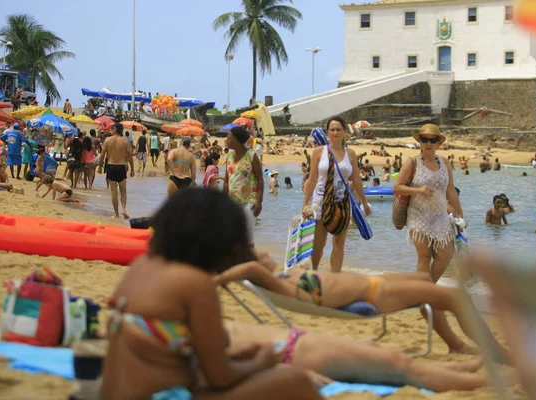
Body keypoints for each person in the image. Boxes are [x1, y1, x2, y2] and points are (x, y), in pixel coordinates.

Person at [101, 188, 322, 400]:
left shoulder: (142, 266)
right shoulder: (194, 283)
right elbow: (220, 377)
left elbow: (162, 355)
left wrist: (235, 359)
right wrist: (261, 362)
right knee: (295, 381)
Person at [215, 253, 509, 359]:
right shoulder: (279, 283)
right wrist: (216, 278)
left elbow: (251, 264)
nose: (264, 251)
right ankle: (496, 352)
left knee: (423, 278)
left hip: (376, 283)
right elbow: (248, 268)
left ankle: (455, 344)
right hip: (376, 294)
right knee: (457, 297)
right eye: (257, 253)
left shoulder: (283, 276)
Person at [226, 320, 497, 392]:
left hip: (290, 348)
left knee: (378, 350)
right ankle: (488, 382)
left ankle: (458, 371)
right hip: (289, 352)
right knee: (399, 364)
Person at [393, 124, 462, 282]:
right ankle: (424, 294)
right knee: (424, 256)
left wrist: (459, 213)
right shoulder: (413, 162)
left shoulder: (445, 163)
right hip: (418, 214)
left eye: (433, 140)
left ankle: (425, 288)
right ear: (420, 142)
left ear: (439, 143)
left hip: (440, 215)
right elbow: (397, 187)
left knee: (446, 254)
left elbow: (450, 190)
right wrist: (418, 190)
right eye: (425, 139)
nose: (429, 143)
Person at [302, 116, 371, 273]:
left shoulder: (351, 154)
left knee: (339, 243)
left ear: (345, 132)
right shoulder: (319, 152)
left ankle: (335, 278)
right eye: (332, 130)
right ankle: (314, 273)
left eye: (338, 129)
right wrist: (305, 203)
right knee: (319, 244)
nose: (335, 132)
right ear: (327, 133)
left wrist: (364, 202)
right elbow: (311, 180)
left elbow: (356, 180)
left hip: (342, 203)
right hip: (320, 203)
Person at [224, 126, 265, 245]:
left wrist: (259, 202)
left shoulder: (251, 155)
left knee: (248, 237)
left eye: (229, 138)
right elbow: (226, 181)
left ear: (237, 140)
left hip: (249, 202)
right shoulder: (229, 157)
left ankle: (250, 260)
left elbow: (260, 180)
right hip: (232, 203)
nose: (226, 140)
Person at [98, 123, 135, 219]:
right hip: (121, 167)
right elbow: (130, 156)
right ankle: (124, 209)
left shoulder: (107, 140)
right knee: (123, 191)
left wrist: (100, 166)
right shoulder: (125, 141)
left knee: (114, 191)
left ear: (115, 129)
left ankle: (116, 214)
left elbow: (102, 154)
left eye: (111, 128)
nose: (110, 129)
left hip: (111, 166)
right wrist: (132, 169)